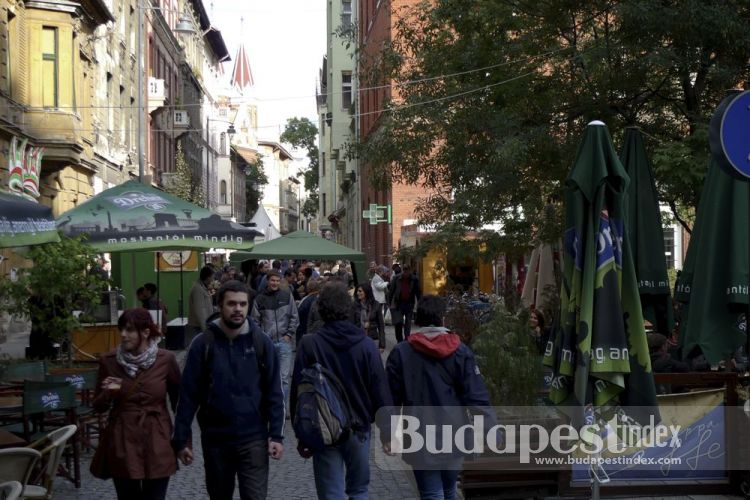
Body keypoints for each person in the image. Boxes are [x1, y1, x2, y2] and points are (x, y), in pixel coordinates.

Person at [172, 280, 285, 500]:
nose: (238, 309)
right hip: (216, 440)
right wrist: (182, 440)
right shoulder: (202, 344)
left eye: (243, 304)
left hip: (253, 439)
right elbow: (187, 396)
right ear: (219, 306)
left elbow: (274, 392)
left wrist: (277, 436)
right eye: (232, 304)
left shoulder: (261, 343)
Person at [290, 281, 392, 499]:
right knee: (359, 490)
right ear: (348, 308)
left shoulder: (309, 344)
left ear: (320, 309)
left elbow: (299, 392)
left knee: (331, 493)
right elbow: (380, 389)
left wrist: (302, 433)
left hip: (324, 425)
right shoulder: (365, 346)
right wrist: (387, 432)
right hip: (359, 426)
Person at [385, 295, 492, 500]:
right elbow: (476, 395)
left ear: (418, 321)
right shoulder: (461, 352)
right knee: (449, 489)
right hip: (455, 431)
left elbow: (390, 399)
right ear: (443, 319)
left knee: (432, 492)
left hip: (419, 432)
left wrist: (389, 434)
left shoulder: (402, 352)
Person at [92, 308, 181, 500]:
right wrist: (108, 393)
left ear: (146, 332)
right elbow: (97, 406)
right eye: (121, 329)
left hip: (157, 438)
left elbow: (179, 404)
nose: (123, 335)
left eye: (130, 330)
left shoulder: (166, 360)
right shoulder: (109, 362)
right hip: (123, 440)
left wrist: (184, 443)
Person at [251, 269, 299, 404]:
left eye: (277, 281)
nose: (275, 283)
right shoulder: (259, 299)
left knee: (284, 378)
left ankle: (281, 406)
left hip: (284, 342)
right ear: (268, 281)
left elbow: (295, 317)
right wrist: (262, 338)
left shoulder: (287, 296)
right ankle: (270, 405)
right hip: (268, 343)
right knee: (268, 376)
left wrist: (289, 335)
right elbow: (255, 321)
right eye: (273, 280)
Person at [388, 263, 421, 342]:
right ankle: (399, 340)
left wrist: (420, 302)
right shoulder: (396, 278)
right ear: (403, 270)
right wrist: (389, 303)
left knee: (408, 322)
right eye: (404, 270)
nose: (405, 272)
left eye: (407, 270)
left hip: (409, 303)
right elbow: (391, 291)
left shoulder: (414, 279)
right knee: (398, 322)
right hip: (398, 303)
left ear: (410, 271)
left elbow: (417, 292)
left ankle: (407, 339)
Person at [187, 266, 215, 344]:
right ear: (208, 277)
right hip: (199, 325)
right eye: (212, 277)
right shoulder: (198, 289)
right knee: (199, 345)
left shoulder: (202, 287)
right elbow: (200, 309)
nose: (213, 280)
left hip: (202, 324)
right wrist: (204, 327)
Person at [355, 282, 385, 353]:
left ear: (366, 291)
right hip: (358, 339)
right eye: (357, 291)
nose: (357, 293)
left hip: (372, 338)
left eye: (360, 291)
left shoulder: (375, 305)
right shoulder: (354, 306)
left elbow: (381, 325)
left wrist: (382, 344)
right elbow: (351, 324)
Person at [296, 278, 321, 346]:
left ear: (308, 288)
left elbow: (298, 316)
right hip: (317, 334)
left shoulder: (305, 301)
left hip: (304, 333)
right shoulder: (321, 299)